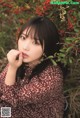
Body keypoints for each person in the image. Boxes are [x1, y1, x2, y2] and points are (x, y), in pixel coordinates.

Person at [0, 16, 64, 118]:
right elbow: (2, 88)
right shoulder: (19, 60)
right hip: (12, 110)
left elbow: (11, 100)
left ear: (48, 46)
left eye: (36, 42)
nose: (25, 47)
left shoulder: (52, 77)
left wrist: (12, 68)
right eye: (23, 38)